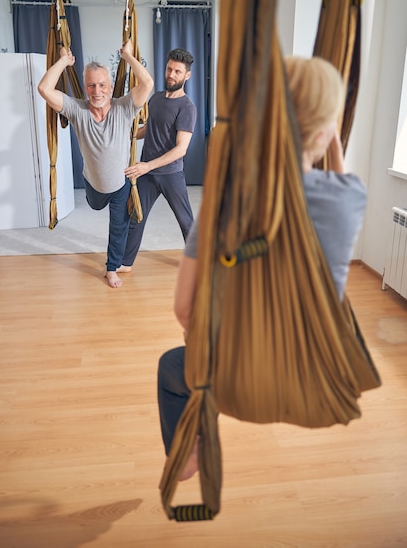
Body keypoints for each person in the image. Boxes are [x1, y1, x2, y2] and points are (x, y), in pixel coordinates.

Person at [157, 56, 368, 482]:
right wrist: (332, 138)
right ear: (327, 134)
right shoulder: (351, 199)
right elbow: (339, 180)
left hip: (240, 377)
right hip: (312, 374)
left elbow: (183, 310)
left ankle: (192, 446)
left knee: (172, 367)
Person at [38, 41, 153, 288]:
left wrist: (129, 57)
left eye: (102, 85)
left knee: (119, 227)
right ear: (86, 88)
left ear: (111, 87)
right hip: (94, 186)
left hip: (120, 183)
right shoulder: (77, 109)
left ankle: (111, 268)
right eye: (91, 85)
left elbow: (148, 84)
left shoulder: (124, 108)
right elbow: (44, 88)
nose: (97, 91)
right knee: (95, 206)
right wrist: (64, 62)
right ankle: (98, 204)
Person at [117, 48, 197, 273]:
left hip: (170, 174)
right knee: (135, 216)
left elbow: (181, 149)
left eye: (177, 72)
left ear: (186, 76)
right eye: (169, 69)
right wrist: (127, 133)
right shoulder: (157, 98)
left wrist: (147, 166)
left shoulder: (187, 107)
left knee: (186, 221)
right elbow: (148, 130)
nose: (171, 74)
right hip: (147, 174)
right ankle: (125, 262)